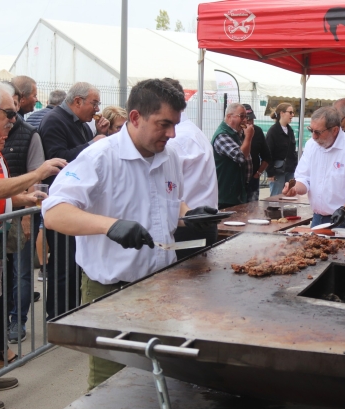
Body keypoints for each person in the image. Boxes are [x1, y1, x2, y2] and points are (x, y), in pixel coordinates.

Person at [42, 78, 217, 389]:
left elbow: (170, 203)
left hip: (162, 286)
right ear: (135, 118)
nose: (172, 134)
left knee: (158, 375)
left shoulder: (170, 156)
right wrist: (110, 226)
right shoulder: (100, 157)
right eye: (164, 124)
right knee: (111, 384)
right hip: (111, 291)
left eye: (175, 124)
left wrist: (190, 215)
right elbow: (55, 212)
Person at [0, 81, 66, 409]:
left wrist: (22, 198)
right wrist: (36, 173)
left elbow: (0, 191)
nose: (14, 119)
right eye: (9, 113)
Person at [38, 82, 111, 320]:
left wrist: (98, 135)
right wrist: (93, 144)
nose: (97, 108)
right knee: (62, 267)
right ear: (78, 101)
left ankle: (70, 313)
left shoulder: (80, 124)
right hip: (62, 204)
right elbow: (57, 159)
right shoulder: (54, 121)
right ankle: (59, 317)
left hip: (75, 204)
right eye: (95, 103)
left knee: (72, 265)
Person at [2, 80, 46, 343]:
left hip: (20, 216)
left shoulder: (30, 133)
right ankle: (4, 320)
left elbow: (35, 176)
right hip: (0, 216)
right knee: (3, 273)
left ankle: (18, 321)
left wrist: (29, 217)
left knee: (21, 272)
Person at [282, 106, 345, 228]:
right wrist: (295, 188)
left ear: (334, 130)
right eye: (311, 130)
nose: (313, 136)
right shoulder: (311, 145)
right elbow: (304, 178)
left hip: (343, 218)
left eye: (318, 132)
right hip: (317, 216)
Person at [164, 77, 219, 259]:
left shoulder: (178, 138)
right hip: (197, 221)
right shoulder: (191, 131)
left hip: (189, 225)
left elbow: (165, 187)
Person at [212, 103, 254, 209]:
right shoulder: (222, 135)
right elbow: (240, 157)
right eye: (242, 116)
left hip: (237, 193)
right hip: (225, 196)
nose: (245, 120)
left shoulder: (236, 133)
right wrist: (248, 137)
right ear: (229, 117)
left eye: (246, 116)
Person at [266, 102, 297, 196]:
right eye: (290, 112)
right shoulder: (273, 131)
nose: (292, 115)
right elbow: (268, 153)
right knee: (276, 197)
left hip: (289, 169)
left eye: (293, 113)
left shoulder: (290, 130)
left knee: (289, 196)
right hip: (277, 171)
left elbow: (292, 151)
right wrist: (270, 173)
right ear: (282, 113)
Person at [243, 103, 271, 202]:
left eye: (252, 119)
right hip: (238, 180)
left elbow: (267, 156)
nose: (250, 123)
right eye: (248, 120)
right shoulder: (235, 132)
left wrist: (258, 173)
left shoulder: (257, 131)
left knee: (252, 207)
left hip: (253, 179)